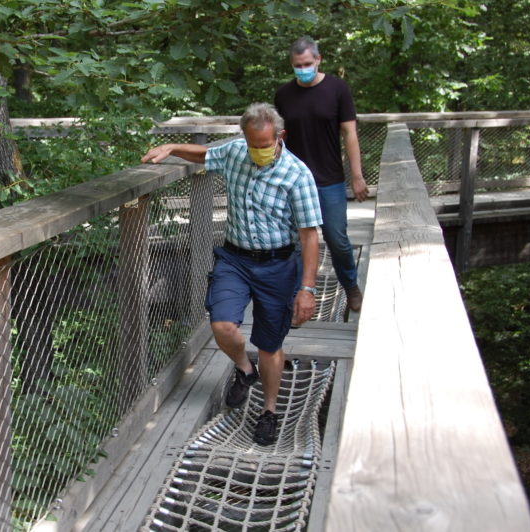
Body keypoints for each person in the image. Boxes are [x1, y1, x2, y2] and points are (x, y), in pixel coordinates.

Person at [141, 103, 322, 446]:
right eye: (253, 145)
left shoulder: (298, 175)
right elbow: (205, 154)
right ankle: (243, 368)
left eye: (265, 145)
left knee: (270, 344)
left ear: (280, 137)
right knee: (222, 325)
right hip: (235, 259)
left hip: (278, 265)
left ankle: (269, 411)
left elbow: (309, 234)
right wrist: (172, 148)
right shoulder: (237, 152)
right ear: (245, 137)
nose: (258, 152)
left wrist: (307, 288)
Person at [273, 36, 368, 312]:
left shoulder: (338, 89)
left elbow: (349, 133)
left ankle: (351, 287)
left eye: (306, 63)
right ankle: (297, 297)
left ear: (318, 59)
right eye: (297, 65)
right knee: (293, 243)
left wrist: (357, 175)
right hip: (293, 181)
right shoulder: (283, 95)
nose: (302, 68)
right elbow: (277, 137)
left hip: (329, 180)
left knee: (337, 239)